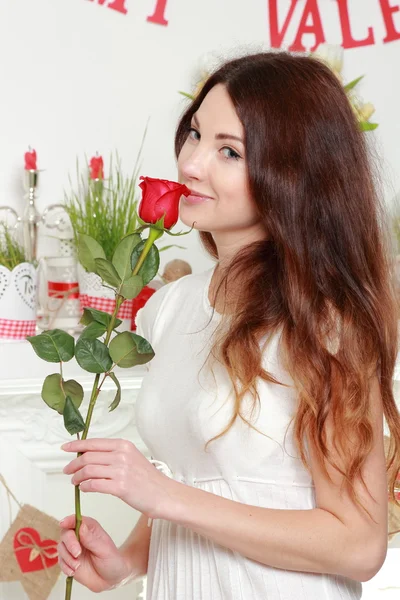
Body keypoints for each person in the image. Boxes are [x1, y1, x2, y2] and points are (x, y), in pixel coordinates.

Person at [58, 51, 400, 599]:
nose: (192, 164)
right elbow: (203, 473)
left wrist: (161, 494)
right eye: (194, 135)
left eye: (229, 151)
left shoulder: (326, 324)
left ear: (292, 173)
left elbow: (359, 546)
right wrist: (126, 562)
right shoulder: (170, 306)